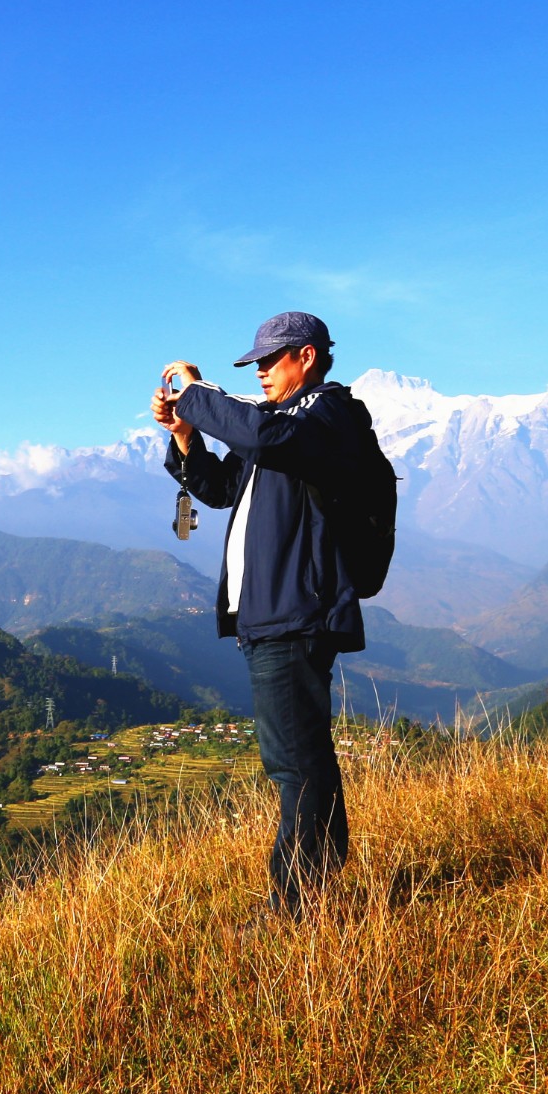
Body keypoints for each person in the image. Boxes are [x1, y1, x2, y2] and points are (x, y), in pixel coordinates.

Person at [150, 309, 369, 920]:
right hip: (270, 614)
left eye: (269, 362)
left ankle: (294, 905)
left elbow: (260, 436)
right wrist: (187, 438)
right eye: (256, 365)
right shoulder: (279, 425)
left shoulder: (328, 415)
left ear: (306, 356)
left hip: (295, 615)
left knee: (292, 763)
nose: (262, 374)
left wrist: (198, 393)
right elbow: (222, 491)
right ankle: (317, 885)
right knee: (304, 758)